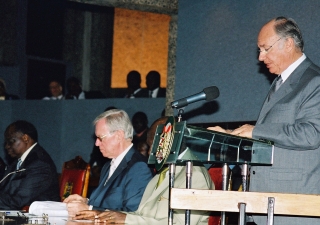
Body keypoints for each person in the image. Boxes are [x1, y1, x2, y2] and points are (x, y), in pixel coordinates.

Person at [209, 16, 320, 225]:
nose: (261, 57)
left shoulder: (314, 81)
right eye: (259, 50)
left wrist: (256, 131)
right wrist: (229, 137)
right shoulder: (280, 83)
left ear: (288, 44)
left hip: (294, 209)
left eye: (265, 48)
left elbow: (312, 133)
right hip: (267, 206)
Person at [73, 116, 215, 225]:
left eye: (151, 147)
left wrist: (126, 219)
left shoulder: (193, 175)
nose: (149, 154)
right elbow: (141, 214)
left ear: (165, 142)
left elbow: (179, 223)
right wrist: (99, 214)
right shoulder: (165, 173)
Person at [64, 109, 153, 216]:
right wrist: (85, 202)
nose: (96, 143)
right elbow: (107, 203)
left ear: (119, 136)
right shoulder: (107, 166)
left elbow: (132, 214)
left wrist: (89, 209)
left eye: (100, 138)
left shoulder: (139, 167)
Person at [0, 120, 60, 209]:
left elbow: (18, 201)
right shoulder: (18, 162)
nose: (7, 146)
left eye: (11, 141)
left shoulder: (40, 164)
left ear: (25, 138)